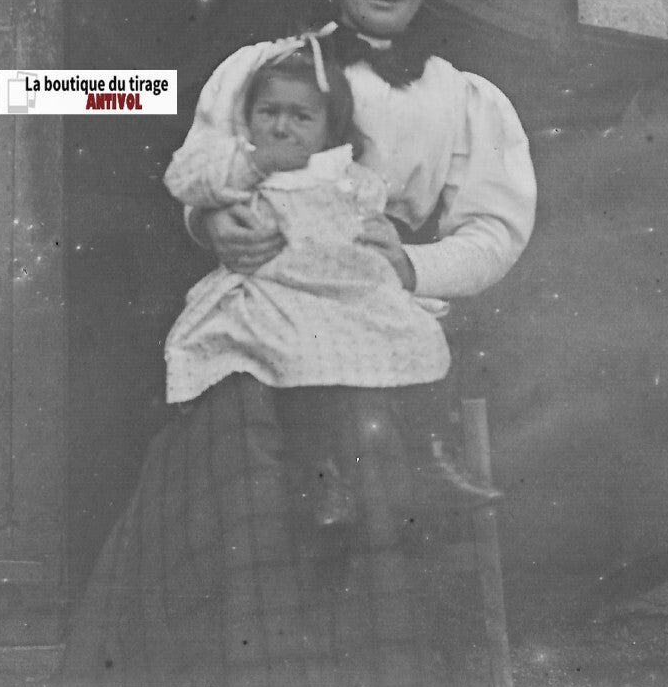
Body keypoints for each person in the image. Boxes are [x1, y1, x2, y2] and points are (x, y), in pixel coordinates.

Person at [58, 0, 536, 687]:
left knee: (366, 423)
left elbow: (495, 230)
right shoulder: (262, 73)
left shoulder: (464, 99)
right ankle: (243, 684)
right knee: (237, 421)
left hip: (374, 314)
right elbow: (206, 178)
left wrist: (412, 268)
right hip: (262, 304)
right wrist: (215, 229)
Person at [163, 45, 467, 530]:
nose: (282, 128)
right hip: (281, 292)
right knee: (301, 361)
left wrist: (376, 231)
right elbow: (183, 179)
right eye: (269, 113)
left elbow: (369, 213)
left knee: (420, 335)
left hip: (347, 292)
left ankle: (435, 455)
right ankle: (326, 484)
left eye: (301, 116)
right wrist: (252, 166)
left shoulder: (340, 171)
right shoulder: (243, 167)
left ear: (329, 128)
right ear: (250, 117)